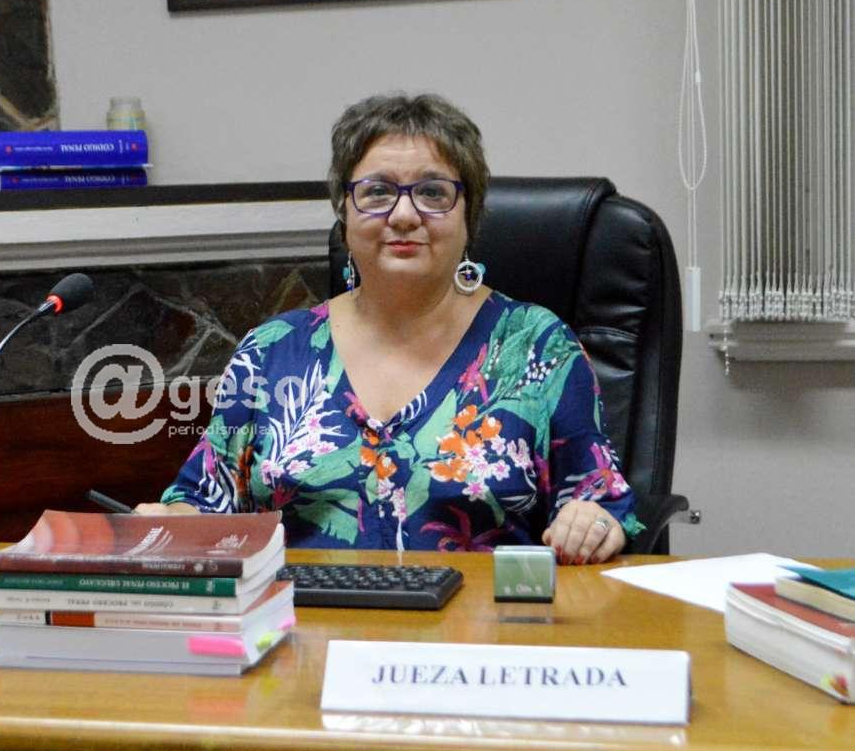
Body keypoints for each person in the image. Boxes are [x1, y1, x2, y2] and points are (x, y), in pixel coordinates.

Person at [139, 92, 642, 564]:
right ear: (344, 213)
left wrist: (594, 522)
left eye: (432, 192)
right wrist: (170, 522)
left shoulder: (536, 346)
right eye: (377, 192)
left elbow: (599, 501)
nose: (403, 215)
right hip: (305, 620)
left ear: (470, 216)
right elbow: (204, 501)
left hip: (483, 622)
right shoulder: (271, 351)